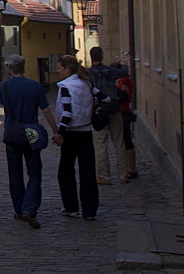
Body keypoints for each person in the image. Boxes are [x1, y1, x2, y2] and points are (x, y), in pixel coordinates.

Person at [0, 54, 60, 229]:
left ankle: (19, 209)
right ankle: (30, 208)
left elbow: (5, 106)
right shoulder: (35, 86)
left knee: (15, 173)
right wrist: (56, 131)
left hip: (13, 133)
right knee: (34, 172)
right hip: (32, 132)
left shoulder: (4, 87)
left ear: (10, 68)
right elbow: (46, 110)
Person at [54, 55, 111, 221]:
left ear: (67, 69)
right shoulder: (86, 83)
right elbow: (105, 98)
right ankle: (90, 210)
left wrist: (60, 133)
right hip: (86, 131)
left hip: (71, 133)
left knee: (66, 171)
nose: (58, 71)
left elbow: (66, 113)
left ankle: (71, 206)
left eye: (59, 68)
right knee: (87, 172)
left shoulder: (66, 86)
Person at [88, 47, 126, 185]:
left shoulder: (89, 74)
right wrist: (122, 64)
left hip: (99, 111)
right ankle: (123, 174)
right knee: (119, 143)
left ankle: (104, 176)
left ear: (90, 57)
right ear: (102, 56)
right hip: (114, 109)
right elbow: (124, 72)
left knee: (100, 144)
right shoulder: (111, 71)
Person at [110, 62, 138, 181]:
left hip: (124, 112)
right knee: (126, 140)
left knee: (126, 141)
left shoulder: (124, 81)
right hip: (124, 111)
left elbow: (126, 97)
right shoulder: (124, 80)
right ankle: (129, 167)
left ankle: (131, 168)